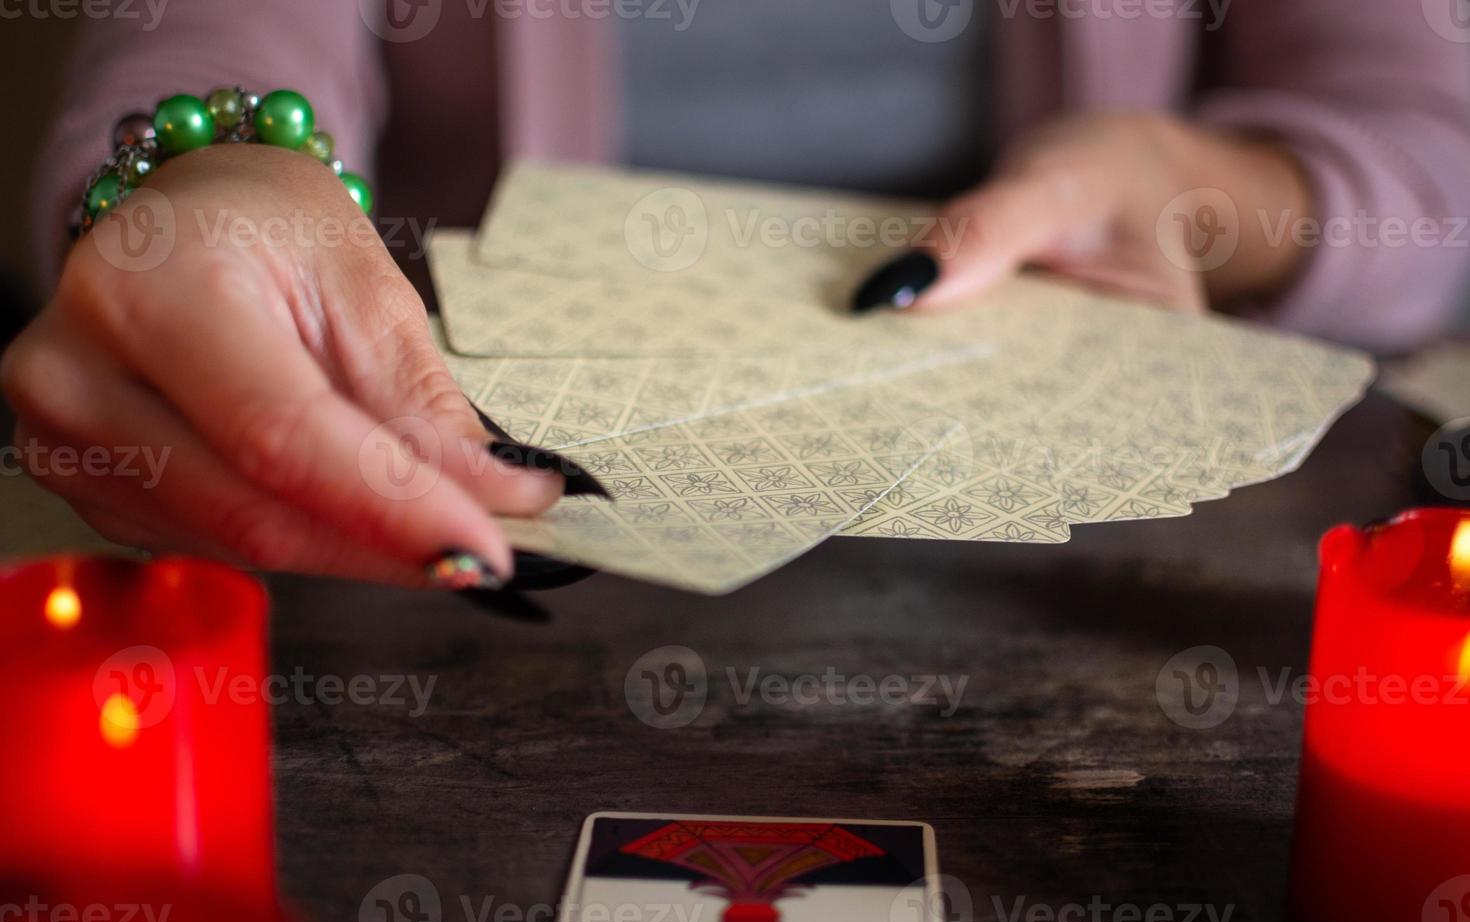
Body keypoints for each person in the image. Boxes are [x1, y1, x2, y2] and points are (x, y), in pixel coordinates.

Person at [6, 0, 1469, 590]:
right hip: (433, 514)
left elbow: (1429, 147)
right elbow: (209, 33)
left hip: (1091, 578)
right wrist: (203, 181)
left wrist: (1198, 186)